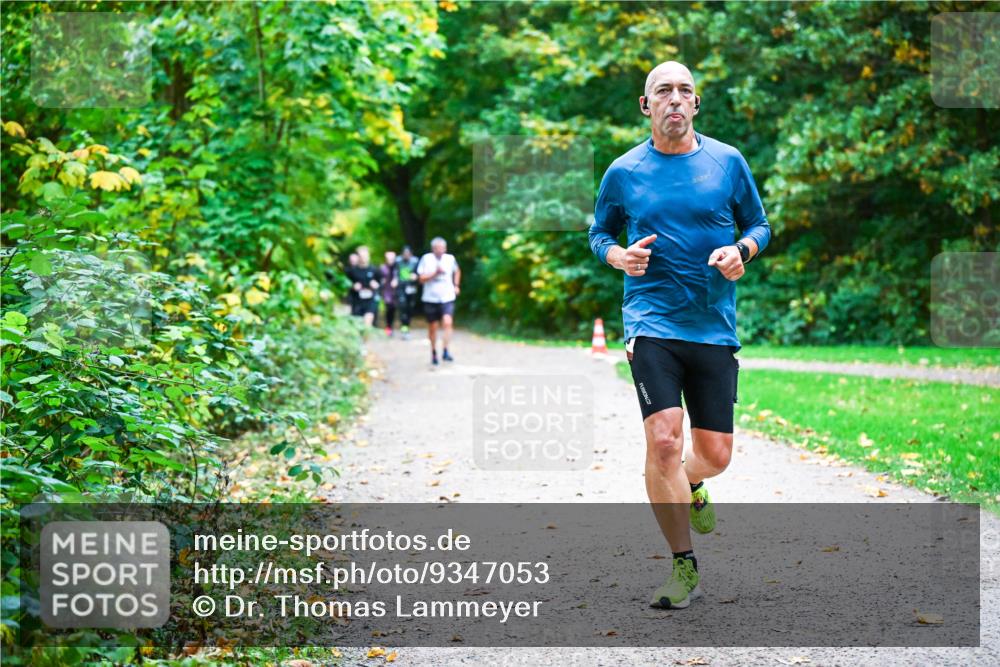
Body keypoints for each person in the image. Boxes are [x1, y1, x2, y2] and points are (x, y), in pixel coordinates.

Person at [588, 61, 771, 610]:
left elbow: (759, 225)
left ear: (696, 104)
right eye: (662, 91)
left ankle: (694, 483)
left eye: (684, 91)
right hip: (651, 324)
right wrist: (617, 255)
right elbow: (599, 232)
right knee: (664, 440)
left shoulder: (727, 162)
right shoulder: (623, 171)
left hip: (712, 326)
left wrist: (742, 252)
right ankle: (682, 567)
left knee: (714, 455)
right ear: (645, 106)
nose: (674, 99)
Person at [417, 237, 460, 365]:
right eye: (437, 248)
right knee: (433, 327)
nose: (440, 251)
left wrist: (456, 285)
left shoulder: (450, 259)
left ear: (445, 249)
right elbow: (421, 279)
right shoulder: (426, 259)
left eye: (442, 248)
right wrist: (435, 273)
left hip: (447, 297)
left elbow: (457, 271)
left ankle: (446, 350)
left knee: (448, 322)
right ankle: (434, 352)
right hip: (430, 298)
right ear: (433, 249)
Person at [351, 246, 380, 328]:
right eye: (361, 256)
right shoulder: (352, 271)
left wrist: (376, 285)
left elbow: (380, 282)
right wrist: (353, 286)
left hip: (371, 299)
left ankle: (366, 339)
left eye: (365, 256)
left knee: (368, 320)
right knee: (358, 324)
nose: (363, 258)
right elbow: (347, 284)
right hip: (357, 300)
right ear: (358, 257)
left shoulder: (374, 269)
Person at [396, 245, 420, 340]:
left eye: (408, 253)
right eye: (404, 254)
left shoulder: (415, 261)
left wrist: (416, 276)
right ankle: (404, 328)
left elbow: (420, 272)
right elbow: (394, 272)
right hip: (401, 287)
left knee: (410, 308)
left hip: (411, 287)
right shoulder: (397, 261)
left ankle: (407, 326)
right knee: (403, 307)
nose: (406, 255)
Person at [379, 250, 399, 336]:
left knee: (393, 310)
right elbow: (379, 279)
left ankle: (390, 326)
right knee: (388, 309)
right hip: (386, 291)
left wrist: (397, 281)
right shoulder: (382, 268)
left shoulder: (397, 268)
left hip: (396, 292)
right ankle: (388, 327)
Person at [346, 252, 361, 317]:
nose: (353, 260)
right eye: (351, 259)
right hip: (351, 292)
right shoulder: (347, 270)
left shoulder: (361, 269)